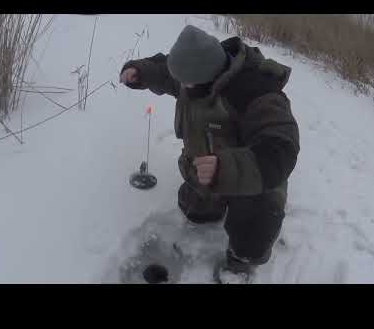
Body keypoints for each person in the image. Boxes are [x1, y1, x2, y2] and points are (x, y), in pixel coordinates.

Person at [120, 25, 300, 283]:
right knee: (195, 211)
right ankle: (211, 201)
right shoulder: (195, 75)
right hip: (208, 170)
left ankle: (241, 263)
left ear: (208, 76)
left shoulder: (257, 92)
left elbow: (281, 149)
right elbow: (165, 70)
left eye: (185, 82)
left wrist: (226, 169)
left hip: (253, 178)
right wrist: (139, 71)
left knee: (256, 221)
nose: (179, 85)